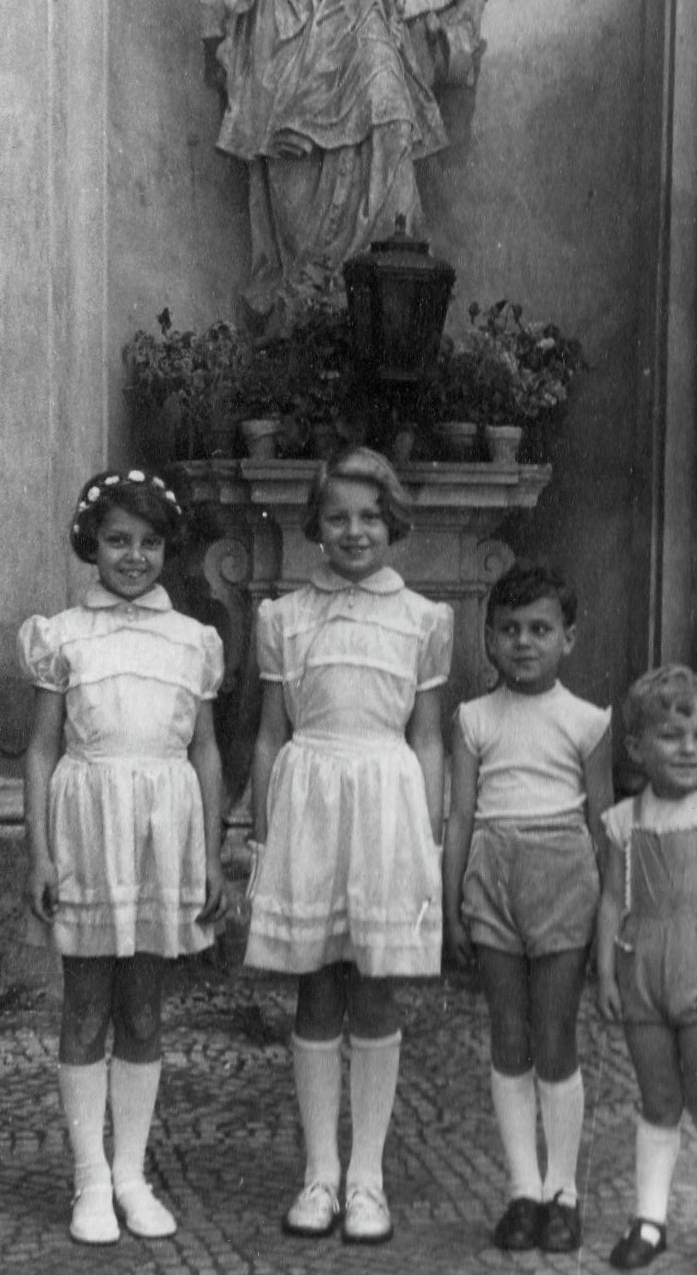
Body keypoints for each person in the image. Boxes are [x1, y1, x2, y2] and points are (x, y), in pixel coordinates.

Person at [245, 446, 453, 1244]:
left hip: (388, 806)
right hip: (310, 801)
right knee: (317, 986)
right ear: (316, 525)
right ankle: (320, 1173)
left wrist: (426, 838)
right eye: (337, 517)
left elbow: (427, 738)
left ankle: (367, 1176)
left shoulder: (423, 619)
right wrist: (264, 836)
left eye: (369, 516)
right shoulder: (284, 618)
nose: (354, 531)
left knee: (374, 986)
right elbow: (270, 736)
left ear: (393, 523)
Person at [18, 469, 227, 1246]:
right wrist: (40, 853)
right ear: (91, 545)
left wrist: (210, 855)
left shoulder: (193, 641)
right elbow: (41, 750)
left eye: (148, 542)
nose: (133, 557)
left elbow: (206, 752)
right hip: (87, 833)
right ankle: (90, 1179)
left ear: (167, 548)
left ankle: (132, 1174)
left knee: (143, 1008)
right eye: (116, 541)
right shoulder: (64, 635)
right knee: (85, 1006)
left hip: (161, 836)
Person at [193, 0, 488, 318]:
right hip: (293, 36)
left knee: (391, 116)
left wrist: (446, 13)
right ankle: (307, 296)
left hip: (368, 17)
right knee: (294, 148)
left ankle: (385, 309)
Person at [443, 562, 613, 1255]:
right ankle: (522, 1189)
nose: (523, 643)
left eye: (540, 630)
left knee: (555, 1034)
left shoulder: (588, 721)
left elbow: (604, 825)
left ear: (568, 638)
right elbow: (460, 816)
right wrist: (453, 905)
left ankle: (562, 1191)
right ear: (488, 638)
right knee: (508, 1035)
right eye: (509, 630)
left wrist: (611, 919)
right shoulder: (473, 718)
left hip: (563, 875)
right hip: (492, 873)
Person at [597, 666, 697, 1275]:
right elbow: (610, 901)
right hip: (642, 974)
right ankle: (650, 1219)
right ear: (637, 747)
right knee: (658, 1098)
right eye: (671, 736)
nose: (690, 749)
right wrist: (606, 974)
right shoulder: (623, 821)